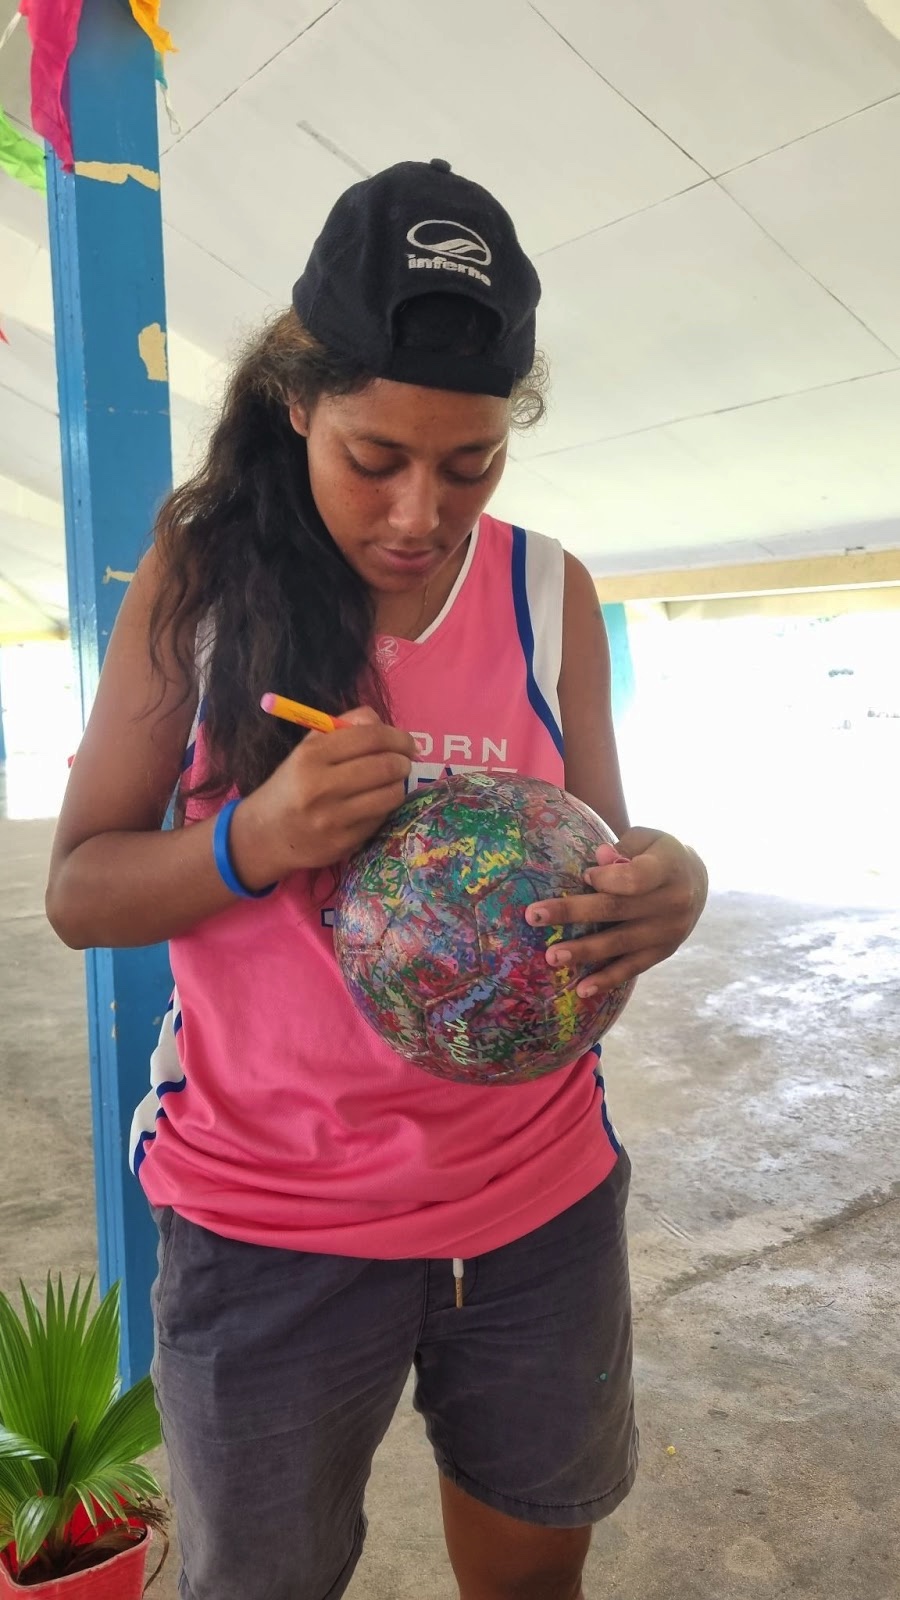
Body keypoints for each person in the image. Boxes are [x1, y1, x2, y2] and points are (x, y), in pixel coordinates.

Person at [46, 159, 707, 1600]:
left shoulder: (548, 593)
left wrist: (669, 892)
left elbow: (600, 862)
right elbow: (80, 890)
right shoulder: (204, 575)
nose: (420, 513)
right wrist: (250, 842)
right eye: (374, 458)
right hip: (270, 1224)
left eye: (468, 465)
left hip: (536, 1207)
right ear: (298, 405)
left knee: (535, 1569)